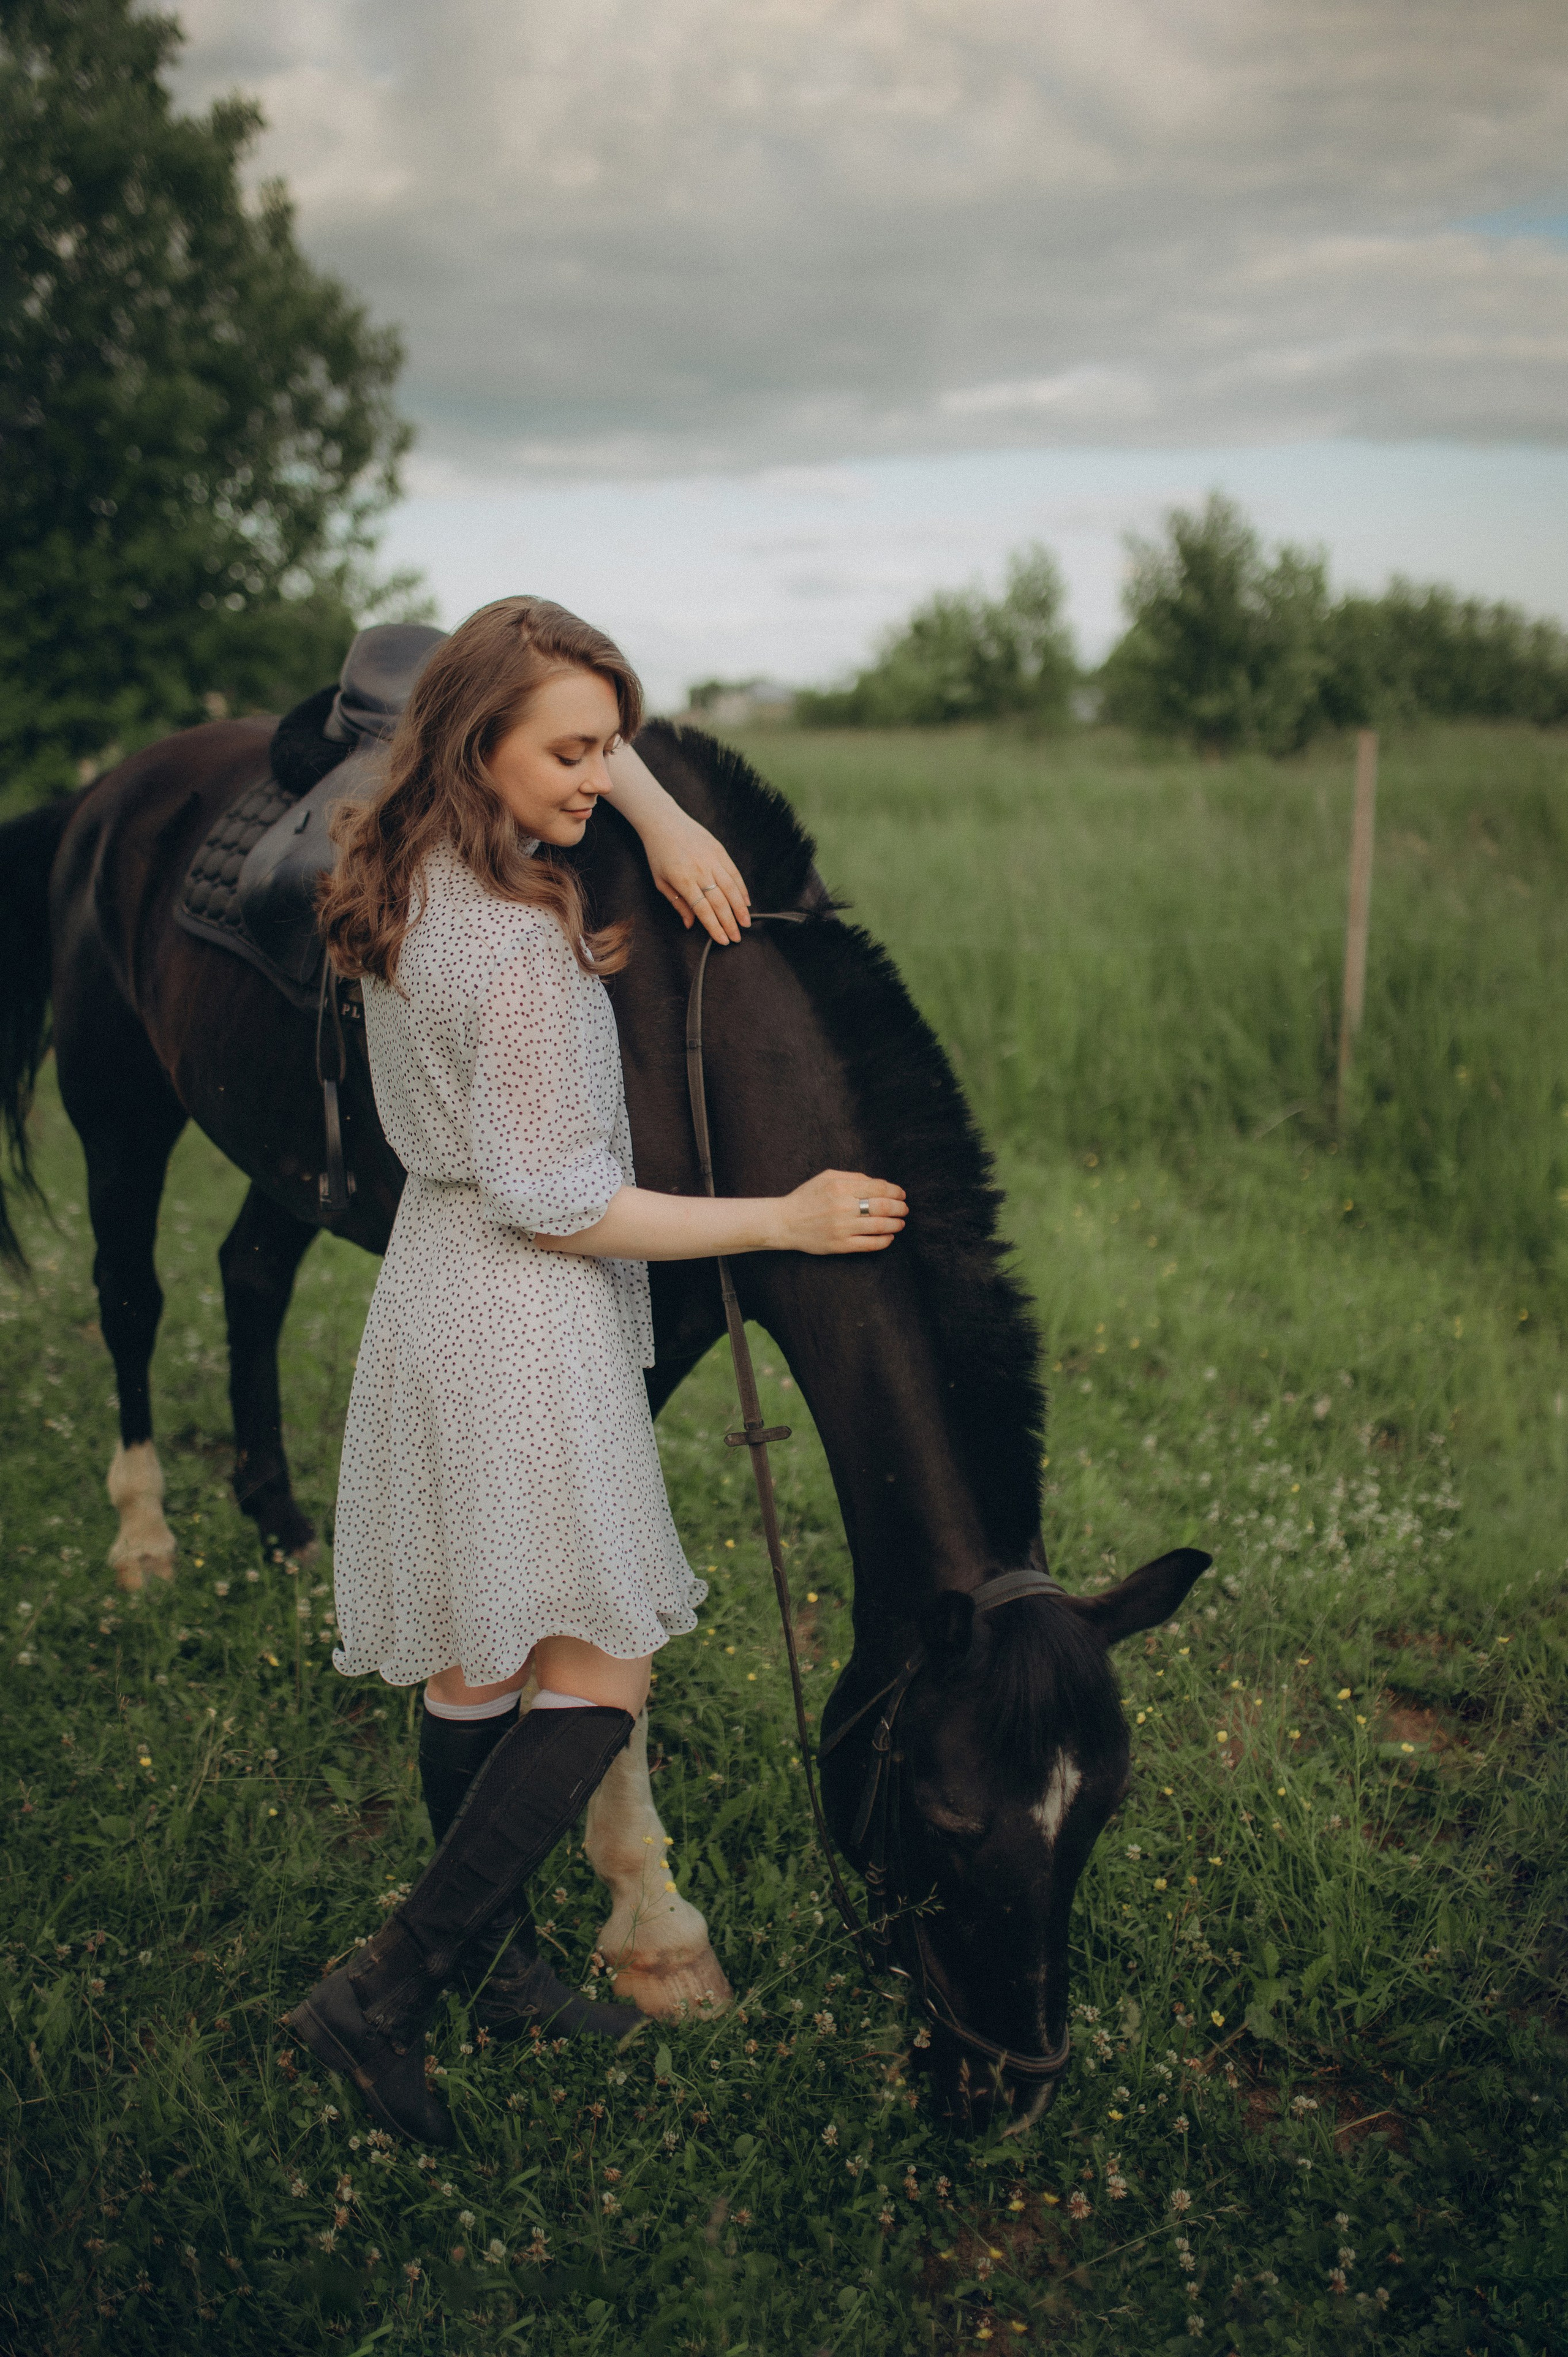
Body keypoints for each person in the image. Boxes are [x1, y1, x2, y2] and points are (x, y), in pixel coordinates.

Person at [287, 596, 906, 2143]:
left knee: (478, 1663)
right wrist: (785, 1215)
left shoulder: (411, 870)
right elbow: (560, 1202)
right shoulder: (506, 944)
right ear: (480, 738)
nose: (592, 775)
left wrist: (641, 791)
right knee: (599, 1667)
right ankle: (391, 1990)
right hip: (518, 1315)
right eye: (569, 751)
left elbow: (534, 696)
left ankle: (487, 1973)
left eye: (609, 746)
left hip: (435, 1294)